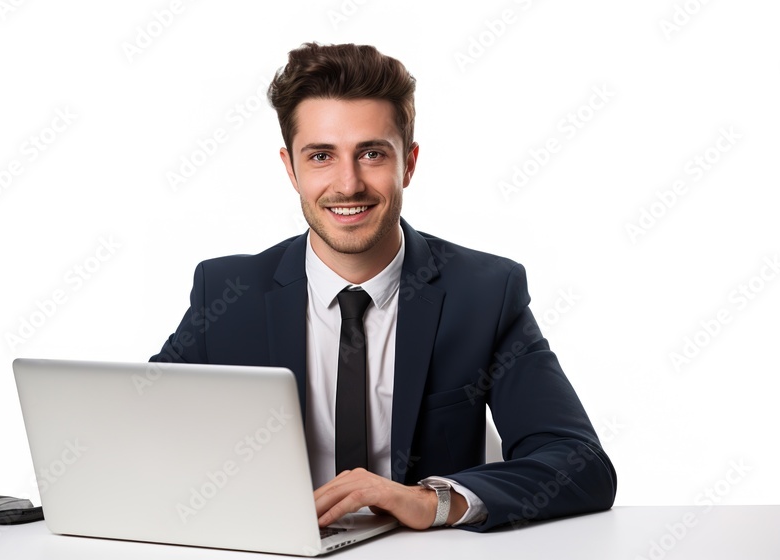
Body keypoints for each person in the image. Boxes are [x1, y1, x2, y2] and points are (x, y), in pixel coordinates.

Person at [151, 42, 616, 532]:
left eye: (372, 153)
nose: (348, 184)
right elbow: (127, 431)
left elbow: (580, 463)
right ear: (291, 169)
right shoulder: (227, 293)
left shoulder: (485, 294)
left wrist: (433, 501)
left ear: (408, 164)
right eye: (321, 156)